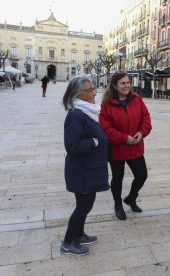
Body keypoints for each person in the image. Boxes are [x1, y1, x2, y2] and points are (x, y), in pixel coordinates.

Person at [60, 76, 109, 256]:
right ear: (79, 94)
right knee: (83, 206)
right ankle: (67, 243)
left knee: (86, 204)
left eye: (93, 89)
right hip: (82, 171)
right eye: (90, 90)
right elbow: (71, 145)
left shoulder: (86, 112)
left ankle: (79, 235)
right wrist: (94, 142)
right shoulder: (77, 115)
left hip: (89, 169)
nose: (94, 93)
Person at [99, 71, 152, 221]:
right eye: (123, 83)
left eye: (128, 82)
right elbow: (105, 128)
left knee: (142, 175)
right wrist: (124, 138)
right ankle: (118, 204)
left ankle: (131, 198)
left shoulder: (137, 99)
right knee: (118, 177)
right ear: (115, 85)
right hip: (116, 148)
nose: (126, 85)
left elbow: (146, 119)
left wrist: (141, 133)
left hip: (135, 146)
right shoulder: (107, 104)